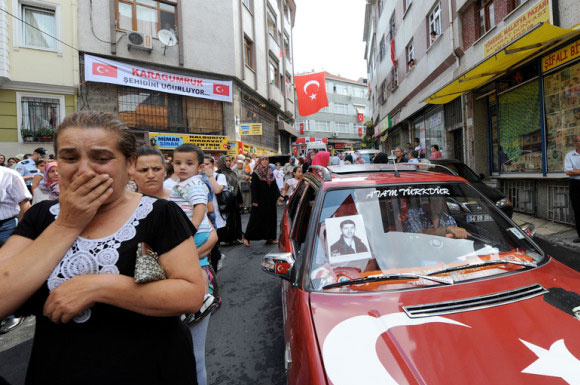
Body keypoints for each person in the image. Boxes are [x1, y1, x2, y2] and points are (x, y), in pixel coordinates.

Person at [0, 111, 204, 384]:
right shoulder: (41, 216)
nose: (85, 170)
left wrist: (98, 287)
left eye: (102, 158)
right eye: (70, 158)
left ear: (129, 164)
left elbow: (189, 294)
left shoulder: (160, 213)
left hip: (150, 367)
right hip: (58, 366)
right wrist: (67, 224)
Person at [133, 145, 217, 385]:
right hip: (143, 295)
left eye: (156, 168)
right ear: (131, 171)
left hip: (190, 289)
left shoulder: (176, 200)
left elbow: (211, 237)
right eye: (143, 169)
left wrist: (182, 262)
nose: (150, 174)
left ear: (163, 170)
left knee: (193, 357)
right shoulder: (122, 205)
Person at [0, 166, 31, 335]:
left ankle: (14, 312)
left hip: (6, 226)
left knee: (9, 270)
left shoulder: (9, 174)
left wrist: (21, 232)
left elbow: (24, 204)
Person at [243, 156, 281, 246]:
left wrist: (278, 196)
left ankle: (270, 238)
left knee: (271, 219)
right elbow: (254, 187)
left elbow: (274, 185)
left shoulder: (270, 172)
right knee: (255, 219)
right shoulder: (256, 173)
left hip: (270, 200)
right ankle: (246, 237)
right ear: (260, 162)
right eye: (263, 160)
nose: (264, 162)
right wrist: (254, 200)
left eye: (266, 160)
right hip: (260, 200)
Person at [203, 156, 228, 271]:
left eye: (207, 164)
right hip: (203, 213)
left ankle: (216, 259)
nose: (204, 166)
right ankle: (216, 257)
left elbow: (217, 190)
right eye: (202, 164)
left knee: (213, 240)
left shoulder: (219, 176)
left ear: (212, 165)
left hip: (216, 213)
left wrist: (209, 176)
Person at [403, 196, 469, 239]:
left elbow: (455, 243)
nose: (434, 203)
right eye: (431, 200)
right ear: (423, 202)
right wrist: (446, 229)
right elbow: (417, 235)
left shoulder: (448, 218)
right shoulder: (413, 214)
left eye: (438, 199)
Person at [216, 155, 243, 245]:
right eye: (226, 161)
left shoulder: (232, 172)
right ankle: (226, 238)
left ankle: (234, 237)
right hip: (225, 200)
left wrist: (240, 200)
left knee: (235, 218)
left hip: (234, 199)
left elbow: (237, 187)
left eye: (229, 161)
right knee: (226, 219)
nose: (228, 162)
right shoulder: (218, 173)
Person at [564, 134, 580, 243]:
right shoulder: (570, 155)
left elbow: (573, 170)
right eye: (579, 141)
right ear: (575, 143)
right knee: (578, 210)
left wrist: (576, 170)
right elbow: (568, 171)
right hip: (576, 184)